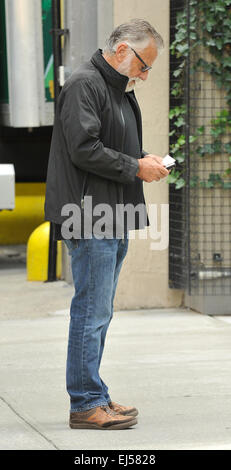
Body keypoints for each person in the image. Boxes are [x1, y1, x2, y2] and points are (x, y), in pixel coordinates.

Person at [44, 18, 169, 430]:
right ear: (121, 51)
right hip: (88, 214)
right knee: (91, 311)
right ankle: (84, 404)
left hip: (111, 213)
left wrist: (145, 161)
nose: (145, 75)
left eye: (149, 68)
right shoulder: (85, 84)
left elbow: (117, 147)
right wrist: (136, 166)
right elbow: (84, 149)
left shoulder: (117, 90)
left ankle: (93, 393)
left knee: (100, 311)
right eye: (143, 65)